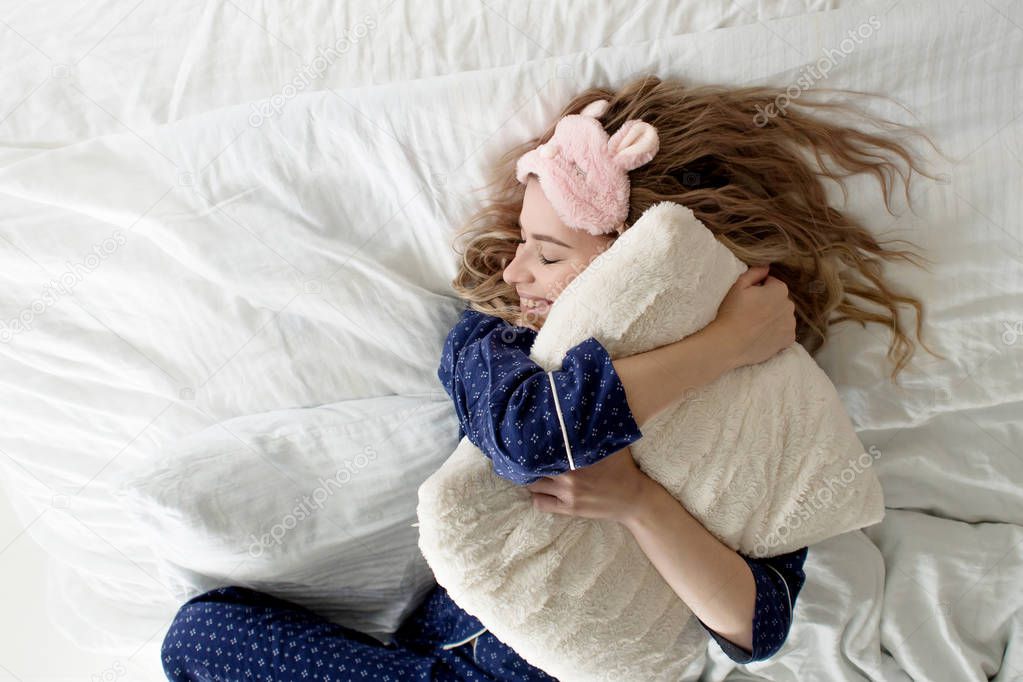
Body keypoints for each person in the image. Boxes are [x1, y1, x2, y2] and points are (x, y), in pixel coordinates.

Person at [163, 74, 940, 680]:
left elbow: (754, 631)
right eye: (521, 241)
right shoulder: (495, 340)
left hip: (587, 672)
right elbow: (534, 438)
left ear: (641, 269)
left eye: (548, 252)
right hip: (435, 665)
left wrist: (639, 503)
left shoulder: (766, 410)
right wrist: (724, 345)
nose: (514, 268)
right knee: (203, 633)